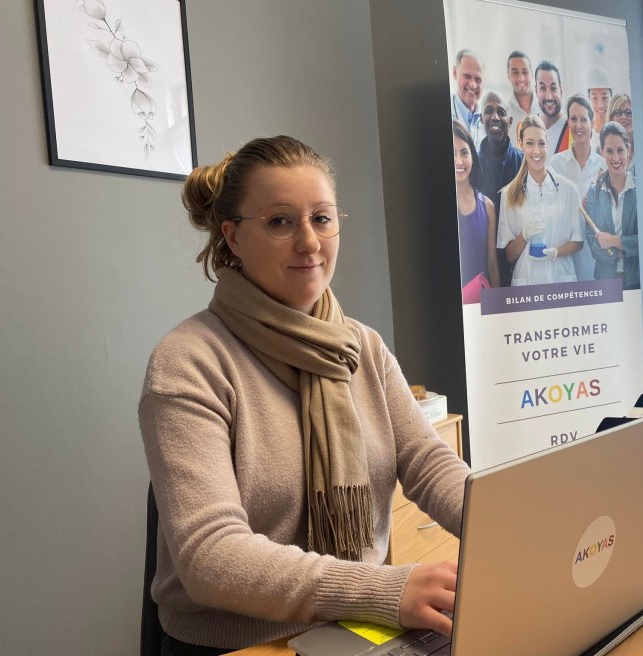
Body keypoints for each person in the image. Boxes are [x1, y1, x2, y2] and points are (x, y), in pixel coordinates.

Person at [138, 136, 471, 654]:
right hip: (243, 643)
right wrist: (383, 588)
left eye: (321, 218)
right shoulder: (188, 362)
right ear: (233, 237)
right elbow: (210, 555)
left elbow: (428, 463)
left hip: (354, 628)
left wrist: (505, 526)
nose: (310, 242)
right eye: (280, 221)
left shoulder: (362, 345)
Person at [497, 115, 584, 286]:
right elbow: (509, 256)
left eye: (541, 143)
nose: (536, 151)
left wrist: (556, 252)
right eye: (529, 143)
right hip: (527, 284)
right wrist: (524, 235)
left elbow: (578, 242)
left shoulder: (569, 190)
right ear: (520, 144)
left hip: (561, 281)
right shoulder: (509, 195)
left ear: (548, 145)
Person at [549, 94, 605, 281]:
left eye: (583, 119)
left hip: (595, 258)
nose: (578, 125)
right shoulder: (556, 164)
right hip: (564, 256)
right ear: (568, 122)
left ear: (592, 122)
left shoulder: (603, 166)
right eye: (573, 119)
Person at [584, 122, 640, 289]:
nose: (615, 158)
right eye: (609, 151)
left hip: (636, 282)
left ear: (628, 150)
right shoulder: (593, 193)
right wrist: (624, 249)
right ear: (602, 152)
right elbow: (592, 242)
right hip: (605, 282)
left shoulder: (641, 191)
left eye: (620, 150)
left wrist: (613, 241)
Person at [477, 91, 523, 286]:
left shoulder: (524, 163)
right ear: (481, 118)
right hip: (481, 269)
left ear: (510, 121)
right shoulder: (471, 167)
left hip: (519, 267)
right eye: (488, 111)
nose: (495, 117)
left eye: (501, 112)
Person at [453, 120, 500, 301]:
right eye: (453, 153)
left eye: (464, 152)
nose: (459, 161)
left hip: (480, 303)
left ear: (472, 156)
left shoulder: (487, 206)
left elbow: (492, 264)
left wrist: (498, 308)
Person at [534, 60, 570, 157]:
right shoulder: (527, 127)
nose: (549, 96)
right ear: (536, 91)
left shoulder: (573, 128)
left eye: (553, 88)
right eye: (542, 88)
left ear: (561, 90)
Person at [450, 49, 485, 146]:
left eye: (478, 79)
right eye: (467, 76)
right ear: (455, 73)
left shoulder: (488, 120)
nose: (473, 84)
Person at [504, 50, 540, 144]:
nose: (521, 78)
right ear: (508, 75)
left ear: (532, 74)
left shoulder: (544, 109)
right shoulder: (504, 115)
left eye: (525, 72)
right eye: (515, 72)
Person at [606, 93, 634, 171]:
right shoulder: (601, 150)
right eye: (618, 113)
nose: (623, 117)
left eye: (628, 112)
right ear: (611, 118)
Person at [587, 66, 612, 139]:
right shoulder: (585, 135)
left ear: (611, 97)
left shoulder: (621, 131)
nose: (600, 105)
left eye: (604, 97)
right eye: (595, 98)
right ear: (588, 99)